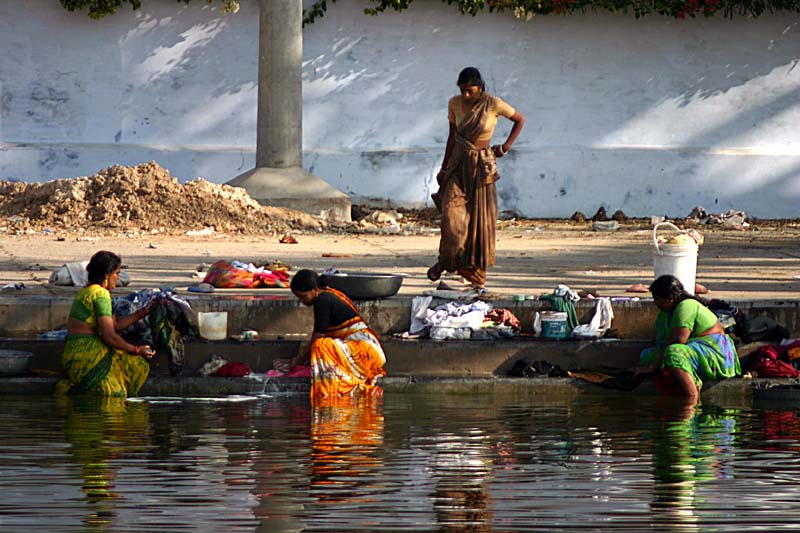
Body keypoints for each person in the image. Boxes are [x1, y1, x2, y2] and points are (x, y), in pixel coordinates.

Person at [427, 66, 525, 290]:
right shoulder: (454, 104)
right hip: (458, 163)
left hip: (482, 166)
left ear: (480, 88)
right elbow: (452, 137)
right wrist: (444, 168)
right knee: (451, 218)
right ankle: (447, 260)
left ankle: (473, 272)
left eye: (470, 90)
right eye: (462, 90)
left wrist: (506, 146)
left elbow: (520, 119)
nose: (465, 95)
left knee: (480, 223)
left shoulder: (493, 104)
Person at [55, 251, 155, 397]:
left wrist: (141, 313)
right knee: (114, 393)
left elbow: (114, 326)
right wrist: (136, 349)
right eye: (117, 273)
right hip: (86, 354)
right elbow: (109, 335)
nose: (118, 278)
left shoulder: (86, 292)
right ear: (107, 275)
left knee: (136, 366)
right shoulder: (100, 295)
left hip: (75, 352)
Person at [635, 275, 741, 400]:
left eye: (657, 299)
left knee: (672, 353)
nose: (655, 303)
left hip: (714, 352)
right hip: (693, 350)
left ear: (669, 298)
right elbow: (658, 341)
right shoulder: (666, 314)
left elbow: (678, 340)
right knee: (646, 355)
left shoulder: (686, 306)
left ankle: (692, 398)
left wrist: (652, 367)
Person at [290, 269, 387, 402]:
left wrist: (296, 362)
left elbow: (317, 337)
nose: (302, 301)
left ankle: (340, 390)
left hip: (364, 351)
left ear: (314, 290)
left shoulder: (322, 300)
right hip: (366, 349)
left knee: (320, 346)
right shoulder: (328, 294)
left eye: (303, 296)